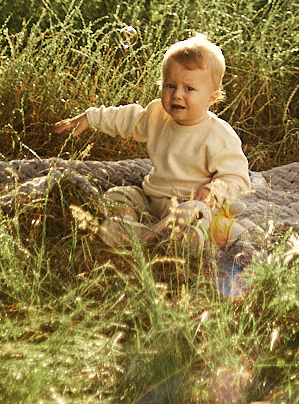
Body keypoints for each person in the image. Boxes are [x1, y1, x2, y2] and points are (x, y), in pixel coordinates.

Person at [53, 32, 251, 248]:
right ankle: (131, 227)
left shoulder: (218, 135)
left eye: (189, 89)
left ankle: (184, 238)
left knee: (205, 218)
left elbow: (237, 177)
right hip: (153, 201)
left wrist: (214, 192)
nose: (177, 95)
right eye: (170, 86)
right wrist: (91, 118)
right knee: (120, 195)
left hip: (191, 205)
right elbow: (127, 118)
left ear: (212, 98)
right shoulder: (157, 114)